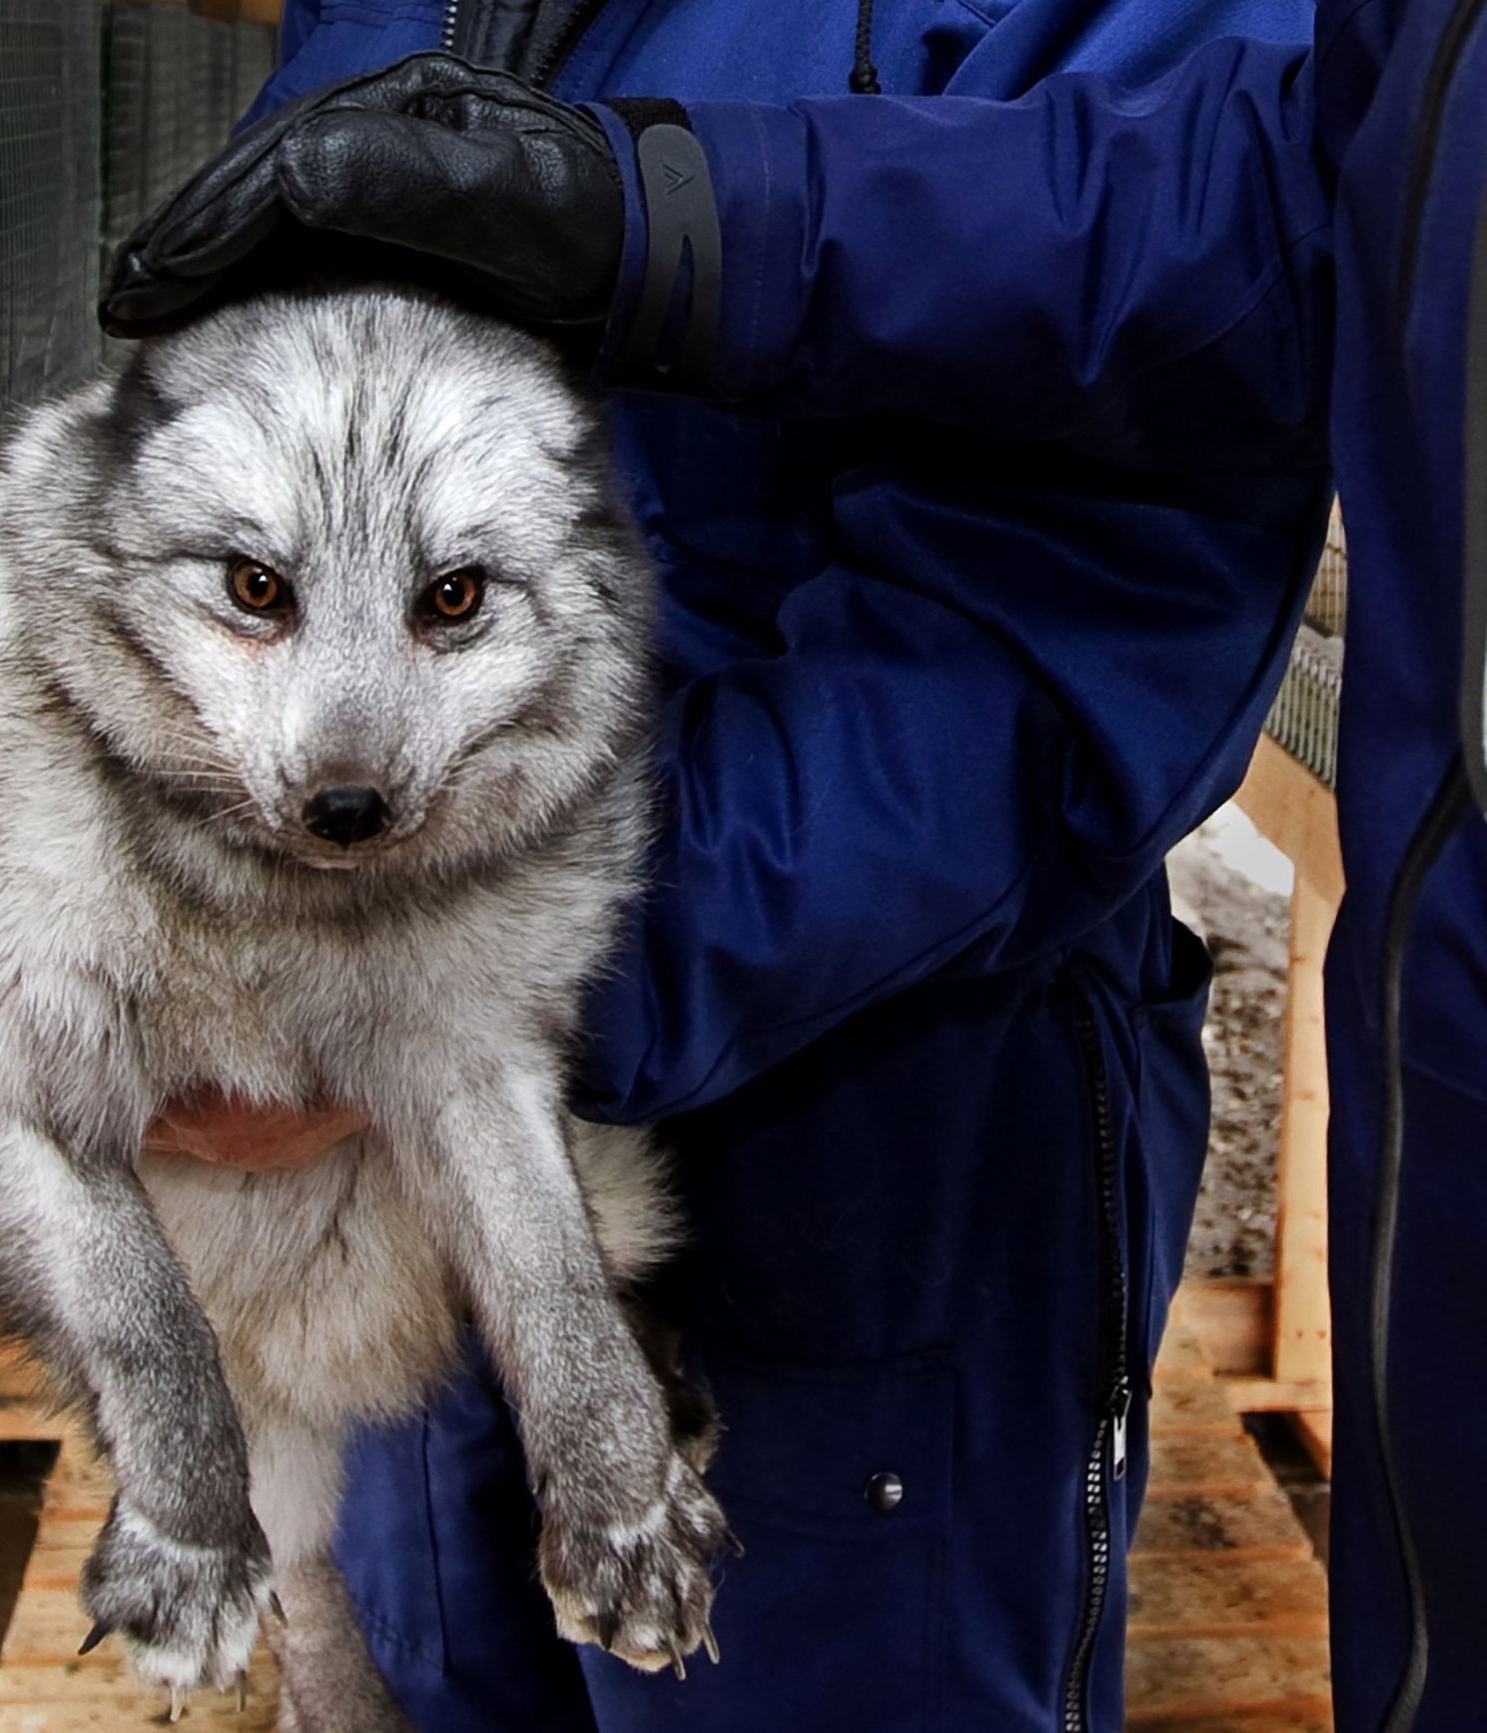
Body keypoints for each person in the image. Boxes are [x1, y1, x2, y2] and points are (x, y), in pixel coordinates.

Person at [110, 8, 1487, 1729]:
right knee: (442, 1654)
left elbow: (1055, 634)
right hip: (408, 1204)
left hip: (859, 1129)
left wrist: (470, 965)